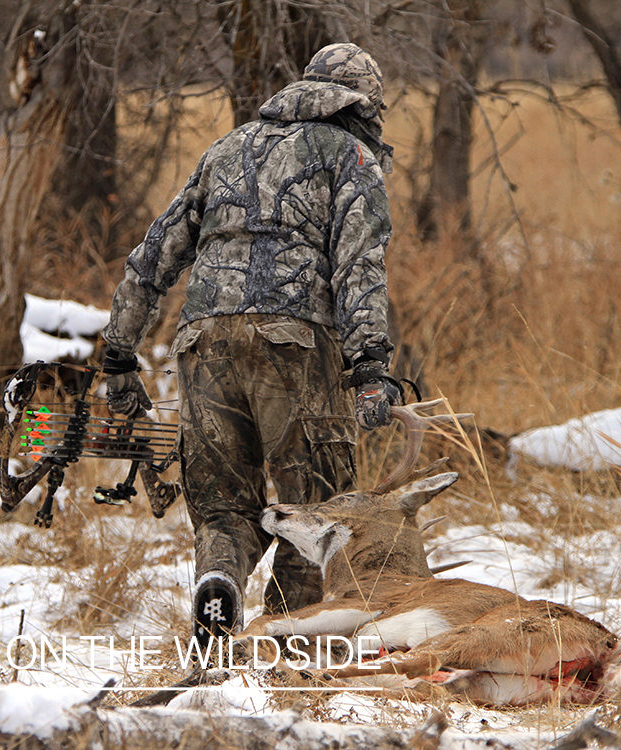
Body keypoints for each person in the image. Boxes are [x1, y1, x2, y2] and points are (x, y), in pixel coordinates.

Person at [101, 42, 402, 646]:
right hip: (293, 345)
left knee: (222, 508)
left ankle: (219, 582)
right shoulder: (352, 157)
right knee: (312, 510)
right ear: (363, 105)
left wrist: (118, 349)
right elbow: (359, 268)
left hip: (202, 342)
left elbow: (156, 252)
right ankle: (287, 646)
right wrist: (370, 366)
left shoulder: (227, 149)